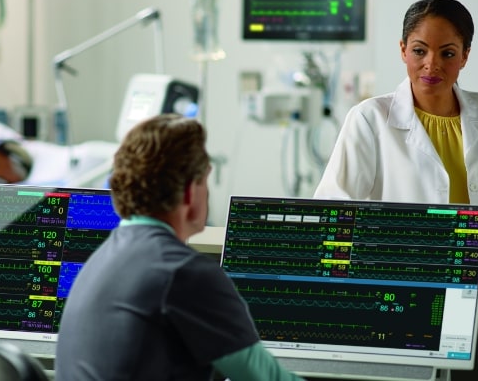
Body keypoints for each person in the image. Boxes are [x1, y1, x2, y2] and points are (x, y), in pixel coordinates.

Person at [56, 114, 303, 381]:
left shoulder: (99, 259)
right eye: (205, 180)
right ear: (189, 191)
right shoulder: (184, 272)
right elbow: (266, 378)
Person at [314, 0, 478, 242]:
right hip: (402, 272)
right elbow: (334, 209)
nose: (431, 64)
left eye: (448, 53)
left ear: (464, 56)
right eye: (419, 51)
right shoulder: (370, 119)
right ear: (403, 50)